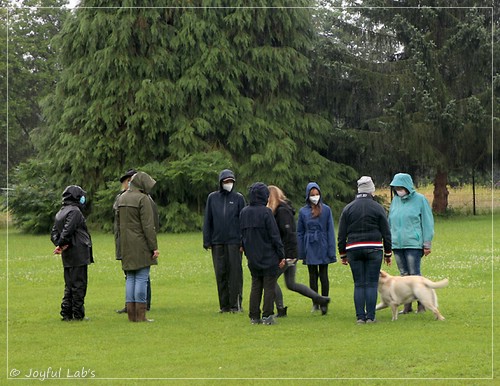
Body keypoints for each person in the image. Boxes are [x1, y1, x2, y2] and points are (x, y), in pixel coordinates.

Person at [267, 185, 330, 317]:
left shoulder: (282, 211)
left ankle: (280, 309)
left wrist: (290, 255)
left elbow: (289, 233)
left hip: (287, 253)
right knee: (291, 284)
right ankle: (319, 299)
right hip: (289, 252)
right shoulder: (286, 210)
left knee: (270, 279)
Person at [338, 176, 393, 324]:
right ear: (371, 190)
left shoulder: (348, 208)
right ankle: (371, 317)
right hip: (374, 248)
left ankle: (360, 317)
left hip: (353, 249)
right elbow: (386, 233)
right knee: (371, 283)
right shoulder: (377, 208)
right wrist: (388, 253)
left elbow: (341, 234)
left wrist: (343, 254)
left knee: (359, 284)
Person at [388, 172, 435, 314]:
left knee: (414, 275)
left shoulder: (420, 200)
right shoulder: (395, 201)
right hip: (397, 244)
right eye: (396, 188)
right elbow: (390, 221)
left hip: (413, 244)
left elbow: (427, 222)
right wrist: (389, 241)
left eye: (400, 187)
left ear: (407, 186)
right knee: (403, 276)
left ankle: (422, 304)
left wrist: (427, 243)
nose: (398, 190)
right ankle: (407, 306)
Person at [116, 171, 159, 322]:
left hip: (126, 244)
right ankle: (140, 316)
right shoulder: (143, 199)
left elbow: (118, 225)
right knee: (141, 278)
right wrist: (154, 247)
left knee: (130, 279)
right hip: (141, 244)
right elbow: (148, 226)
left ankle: (131, 315)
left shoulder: (121, 198)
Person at [240, 182, 285, 325]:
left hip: (252, 256)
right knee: (269, 286)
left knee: (256, 285)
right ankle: (267, 315)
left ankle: (254, 316)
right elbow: (274, 235)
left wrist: (247, 252)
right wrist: (281, 254)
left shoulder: (244, 212)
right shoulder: (266, 212)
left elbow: (242, 234)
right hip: (268, 255)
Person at [203, 169, 246, 313]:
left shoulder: (239, 198)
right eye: (226, 181)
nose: (229, 184)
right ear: (221, 182)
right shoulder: (212, 198)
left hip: (234, 242)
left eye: (231, 181)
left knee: (235, 273)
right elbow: (208, 220)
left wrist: (243, 242)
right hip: (217, 242)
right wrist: (207, 240)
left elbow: (243, 222)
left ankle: (236, 305)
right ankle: (224, 305)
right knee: (220, 273)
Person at [51, 185, 94, 321]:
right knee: (79, 284)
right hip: (78, 252)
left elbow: (54, 233)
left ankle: (66, 313)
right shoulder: (75, 211)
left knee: (69, 284)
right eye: (81, 196)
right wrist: (62, 244)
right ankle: (77, 314)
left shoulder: (61, 212)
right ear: (76, 197)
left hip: (68, 253)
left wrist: (60, 245)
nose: (83, 198)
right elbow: (68, 231)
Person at [297, 182, 336, 315]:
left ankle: (324, 301)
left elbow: (330, 230)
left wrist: (331, 250)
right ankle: (315, 301)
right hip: (310, 245)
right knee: (312, 275)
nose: (315, 197)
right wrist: (301, 251)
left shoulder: (326, 210)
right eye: (312, 195)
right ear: (308, 196)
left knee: (323, 275)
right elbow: (300, 232)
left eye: (317, 194)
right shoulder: (303, 212)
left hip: (323, 243)